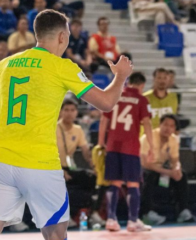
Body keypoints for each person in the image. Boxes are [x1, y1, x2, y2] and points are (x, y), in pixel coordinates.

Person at [0, 9, 133, 240]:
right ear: (62, 36)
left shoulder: (5, 64)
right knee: (56, 234)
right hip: (39, 163)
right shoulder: (61, 66)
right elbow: (106, 103)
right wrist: (120, 77)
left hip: (2, 161)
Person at [97, 72, 154, 232]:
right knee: (133, 184)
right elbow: (147, 123)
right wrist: (151, 146)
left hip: (113, 145)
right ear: (141, 85)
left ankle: (111, 219)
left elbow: (104, 119)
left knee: (114, 183)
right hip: (131, 147)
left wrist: (100, 143)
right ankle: (132, 221)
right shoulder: (142, 100)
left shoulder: (116, 96)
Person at [140, 114, 196, 225]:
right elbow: (145, 163)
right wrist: (168, 172)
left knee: (182, 175)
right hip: (144, 170)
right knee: (149, 175)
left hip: (161, 171)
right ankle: (147, 213)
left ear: (174, 129)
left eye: (171, 126)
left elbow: (175, 160)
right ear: (160, 125)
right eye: (165, 124)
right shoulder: (148, 137)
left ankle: (183, 211)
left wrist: (176, 169)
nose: (168, 128)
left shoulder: (174, 140)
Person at [56, 98, 96, 228]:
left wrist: (94, 166)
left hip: (69, 167)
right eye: (66, 110)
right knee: (66, 187)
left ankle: (89, 213)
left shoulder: (78, 129)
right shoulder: (53, 127)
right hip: (54, 167)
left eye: (72, 110)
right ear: (61, 112)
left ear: (76, 112)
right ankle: (65, 216)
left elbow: (85, 151)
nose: (69, 113)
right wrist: (60, 171)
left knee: (90, 178)